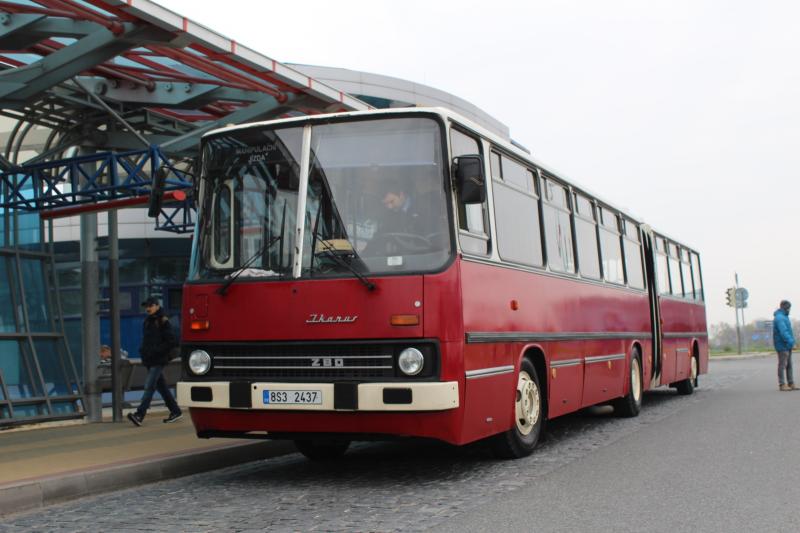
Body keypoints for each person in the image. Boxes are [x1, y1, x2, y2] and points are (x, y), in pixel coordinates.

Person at [127, 296, 182, 425]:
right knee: (162, 387)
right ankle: (176, 411)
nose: (148, 308)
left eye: (150, 306)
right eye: (146, 306)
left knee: (149, 387)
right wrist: (144, 352)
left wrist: (156, 351)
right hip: (149, 359)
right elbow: (147, 341)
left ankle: (139, 415)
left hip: (158, 359)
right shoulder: (148, 321)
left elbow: (172, 341)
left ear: (157, 306)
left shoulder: (163, 321)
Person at [773, 300, 796, 391]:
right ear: (785, 307)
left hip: (787, 344)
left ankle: (791, 383)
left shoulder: (784, 317)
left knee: (789, 365)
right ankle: (782, 384)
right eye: (788, 308)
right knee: (782, 365)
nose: (789, 309)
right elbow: (784, 332)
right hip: (782, 345)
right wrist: (791, 342)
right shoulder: (779, 318)